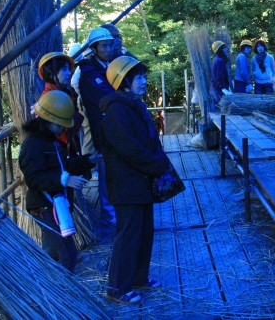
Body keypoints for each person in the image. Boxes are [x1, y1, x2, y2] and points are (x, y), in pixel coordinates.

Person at [100, 56, 170, 304]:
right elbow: (129, 148)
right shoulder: (117, 110)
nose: (144, 81)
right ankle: (117, 288)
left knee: (144, 232)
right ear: (124, 81)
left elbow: (147, 140)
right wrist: (157, 164)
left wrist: (157, 162)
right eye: (139, 77)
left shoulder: (133, 105)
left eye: (143, 76)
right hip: (126, 183)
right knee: (129, 234)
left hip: (140, 181)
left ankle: (139, 278)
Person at [19, 90, 89, 272]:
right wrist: (65, 181)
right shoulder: (33, 145)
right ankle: (64, 293)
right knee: (66, 254)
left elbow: (61, 165)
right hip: (43, 206)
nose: (63, 129)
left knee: (53, 252)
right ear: (48, 121)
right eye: (60, 125)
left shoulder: (50, 140)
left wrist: (88, 161)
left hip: (55, 204)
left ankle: (47, 287)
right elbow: (34, 179)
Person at [77, 27, 117, 225]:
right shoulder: (89, 71)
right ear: (94, 48)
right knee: (105, 170)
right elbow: (106, 96)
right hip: (101, 129)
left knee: (115, 168)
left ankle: (115, 208)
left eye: (110, 45)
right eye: (104, 45)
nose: (108, 48)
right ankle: (109, 213)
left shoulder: (109, 65)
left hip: (114, 127)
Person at [210, 40, 232, 105]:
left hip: (215, 89)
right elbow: (220, 76)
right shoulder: (220, 61)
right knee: (219, 112)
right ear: (220, 50)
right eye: (224, 47)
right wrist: (223, 88)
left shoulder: (216, 59)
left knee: (215, 111)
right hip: (218, 91)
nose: (226, 49)